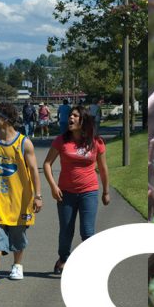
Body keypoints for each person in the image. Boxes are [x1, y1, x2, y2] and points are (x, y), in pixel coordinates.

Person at [0, 104, 42, 285]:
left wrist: (38, 195)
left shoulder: (24, 143)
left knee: (18, 235)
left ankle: (17, 265)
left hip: (19, 200)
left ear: (4, 119)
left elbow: (34, 171)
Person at [43, 105, 110, 275]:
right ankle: (64, 258)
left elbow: (103, 169)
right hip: (65, 193)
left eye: (75, 116)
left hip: (89, 191)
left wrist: (106, 191)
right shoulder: (61, 140)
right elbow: (47, 164)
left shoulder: (96, 142)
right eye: (70, 116)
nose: (70, 118)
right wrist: (53, 186)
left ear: (83, 120)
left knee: (87, 232)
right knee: (66, 231)